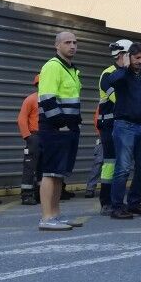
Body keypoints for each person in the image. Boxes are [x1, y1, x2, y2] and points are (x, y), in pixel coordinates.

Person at [101, 42, 141, 220]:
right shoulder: (120, 74)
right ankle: (117, 206)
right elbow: (111, 82)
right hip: (124, 125)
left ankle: (134, 203)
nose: (140, 61)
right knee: (123, 168)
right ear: (129, 56)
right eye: (137, 57)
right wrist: (125, 68)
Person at [35, 30, 84, 231]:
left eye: (74, 42)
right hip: (55, 128)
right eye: (67, 42)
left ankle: (55, 215)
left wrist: (73, 124)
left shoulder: (71, 69)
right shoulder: (52, 67)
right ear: (57, 46)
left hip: (68, 128)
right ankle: (46, 218)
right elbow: (48, 99)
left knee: (58, 173)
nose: (72, 46)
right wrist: (60, 123)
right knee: (50, 172)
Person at [96, 39, 131, 214]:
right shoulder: (108, 74)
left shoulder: (129, 73)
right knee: (110, 162)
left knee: (122, 164)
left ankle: (118, 200)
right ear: (122, 55)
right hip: (109, 124)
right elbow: (119, 100)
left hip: (124, 124)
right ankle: (106, 201)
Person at [17, 75, 41, 205]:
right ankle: (26, 195)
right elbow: (22, 119)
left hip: (47, 137)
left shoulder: (52, 99)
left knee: (44, 167)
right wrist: (27, 136)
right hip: (35, 136)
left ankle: (40, 194)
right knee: (30, 166)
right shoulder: (31, 99)